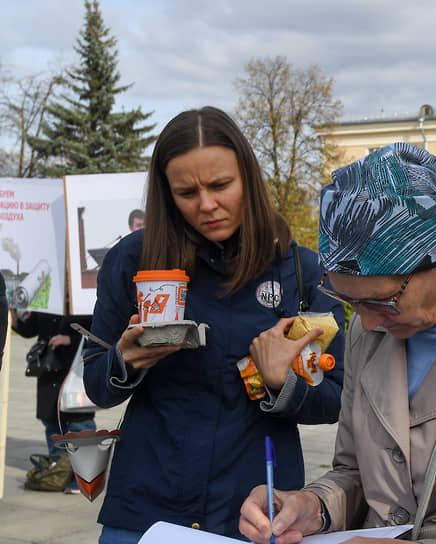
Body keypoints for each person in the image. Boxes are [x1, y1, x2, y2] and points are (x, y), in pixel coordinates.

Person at [238, 143, 436, 544]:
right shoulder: (369, 333)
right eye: (350, 301)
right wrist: (312, 507)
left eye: (382, 301)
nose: (368, 321)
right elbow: (354, 472)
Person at [84, 106, 346, 543]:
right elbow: (95, 383)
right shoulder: (134, 261)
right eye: (186, 192)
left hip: (255, 516)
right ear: (166, 195)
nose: (207, 205)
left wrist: (283, 383)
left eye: (221, 185)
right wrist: (125, 360)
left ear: (248, 177)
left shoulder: (299, 272)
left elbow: (337, 397)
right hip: (145, 514)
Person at [11, 303, 96, 494]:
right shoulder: (48, 299)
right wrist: (13, 314)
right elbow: (29, 329)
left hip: (76, 370)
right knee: (51, 421)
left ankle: (83, 477)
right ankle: (59, 471)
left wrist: (70, 339)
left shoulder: (85, 299)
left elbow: (101, 334)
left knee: (79, 423)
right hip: (49, 369)